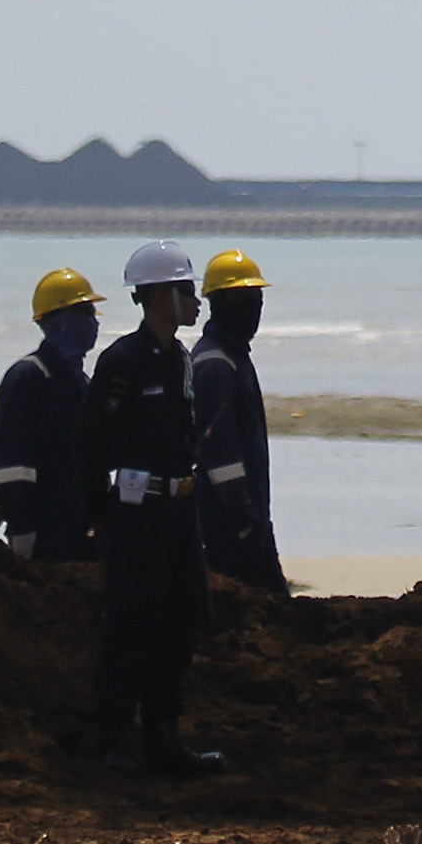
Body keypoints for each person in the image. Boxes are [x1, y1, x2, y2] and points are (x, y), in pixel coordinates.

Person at [73, 239, 227, 777]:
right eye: (186, 290)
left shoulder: (181, 360)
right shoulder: (122, 362)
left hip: (179, 514)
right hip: (137, 514)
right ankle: (112, 740)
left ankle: (163, 738)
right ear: (159, 295)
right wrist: (102, 517)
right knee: (131, 626)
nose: (196, 301)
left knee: (178, 625)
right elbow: (91, 447)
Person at [0, 267, 101, 564]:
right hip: (46, 535)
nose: (93, 321)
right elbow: (11, 461)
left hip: (81, 532)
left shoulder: (80, 384)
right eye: (84, 311)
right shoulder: (29, 377)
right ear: (59, 320)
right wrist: (20, 522)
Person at [191, 248, 287, 593]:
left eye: (257, 299)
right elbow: (219, 457)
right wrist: (244, 521)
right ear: (220, 304)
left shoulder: (233, 357)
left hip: (249, 522)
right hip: (228, 530)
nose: (254, 309)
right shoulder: (215, 365)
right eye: (245, 300)